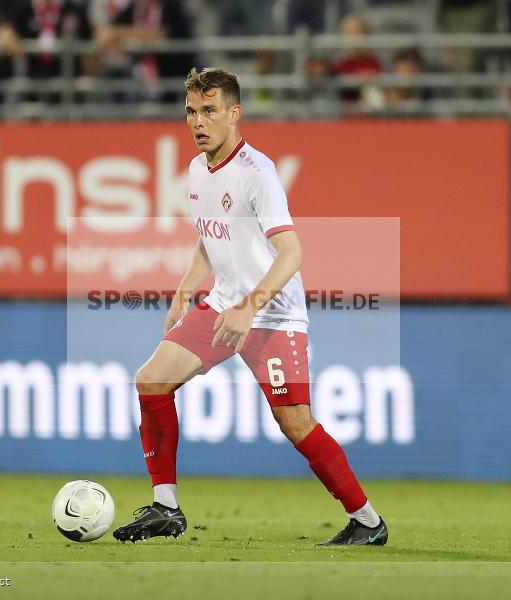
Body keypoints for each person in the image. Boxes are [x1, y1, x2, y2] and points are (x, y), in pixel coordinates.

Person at [111, 67, 388, 547]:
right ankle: (166, 508)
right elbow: (210, 241)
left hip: (273, 313)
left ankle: (367, 521)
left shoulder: (257, 173)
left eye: (210, 110)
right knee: (151, 380)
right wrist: (184, 292)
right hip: (223, 304)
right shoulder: (199, 170)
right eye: (192, 112)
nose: (198, 121)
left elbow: (293, 253)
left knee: (295, 422)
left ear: (234, 114)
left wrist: (248, 308)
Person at [0, 0, 94, 79]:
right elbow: (4, 30)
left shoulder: (75, 9)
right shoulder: (21, 8)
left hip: (67, 81)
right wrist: (6, 34)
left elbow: (89, 46)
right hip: (29, 80)